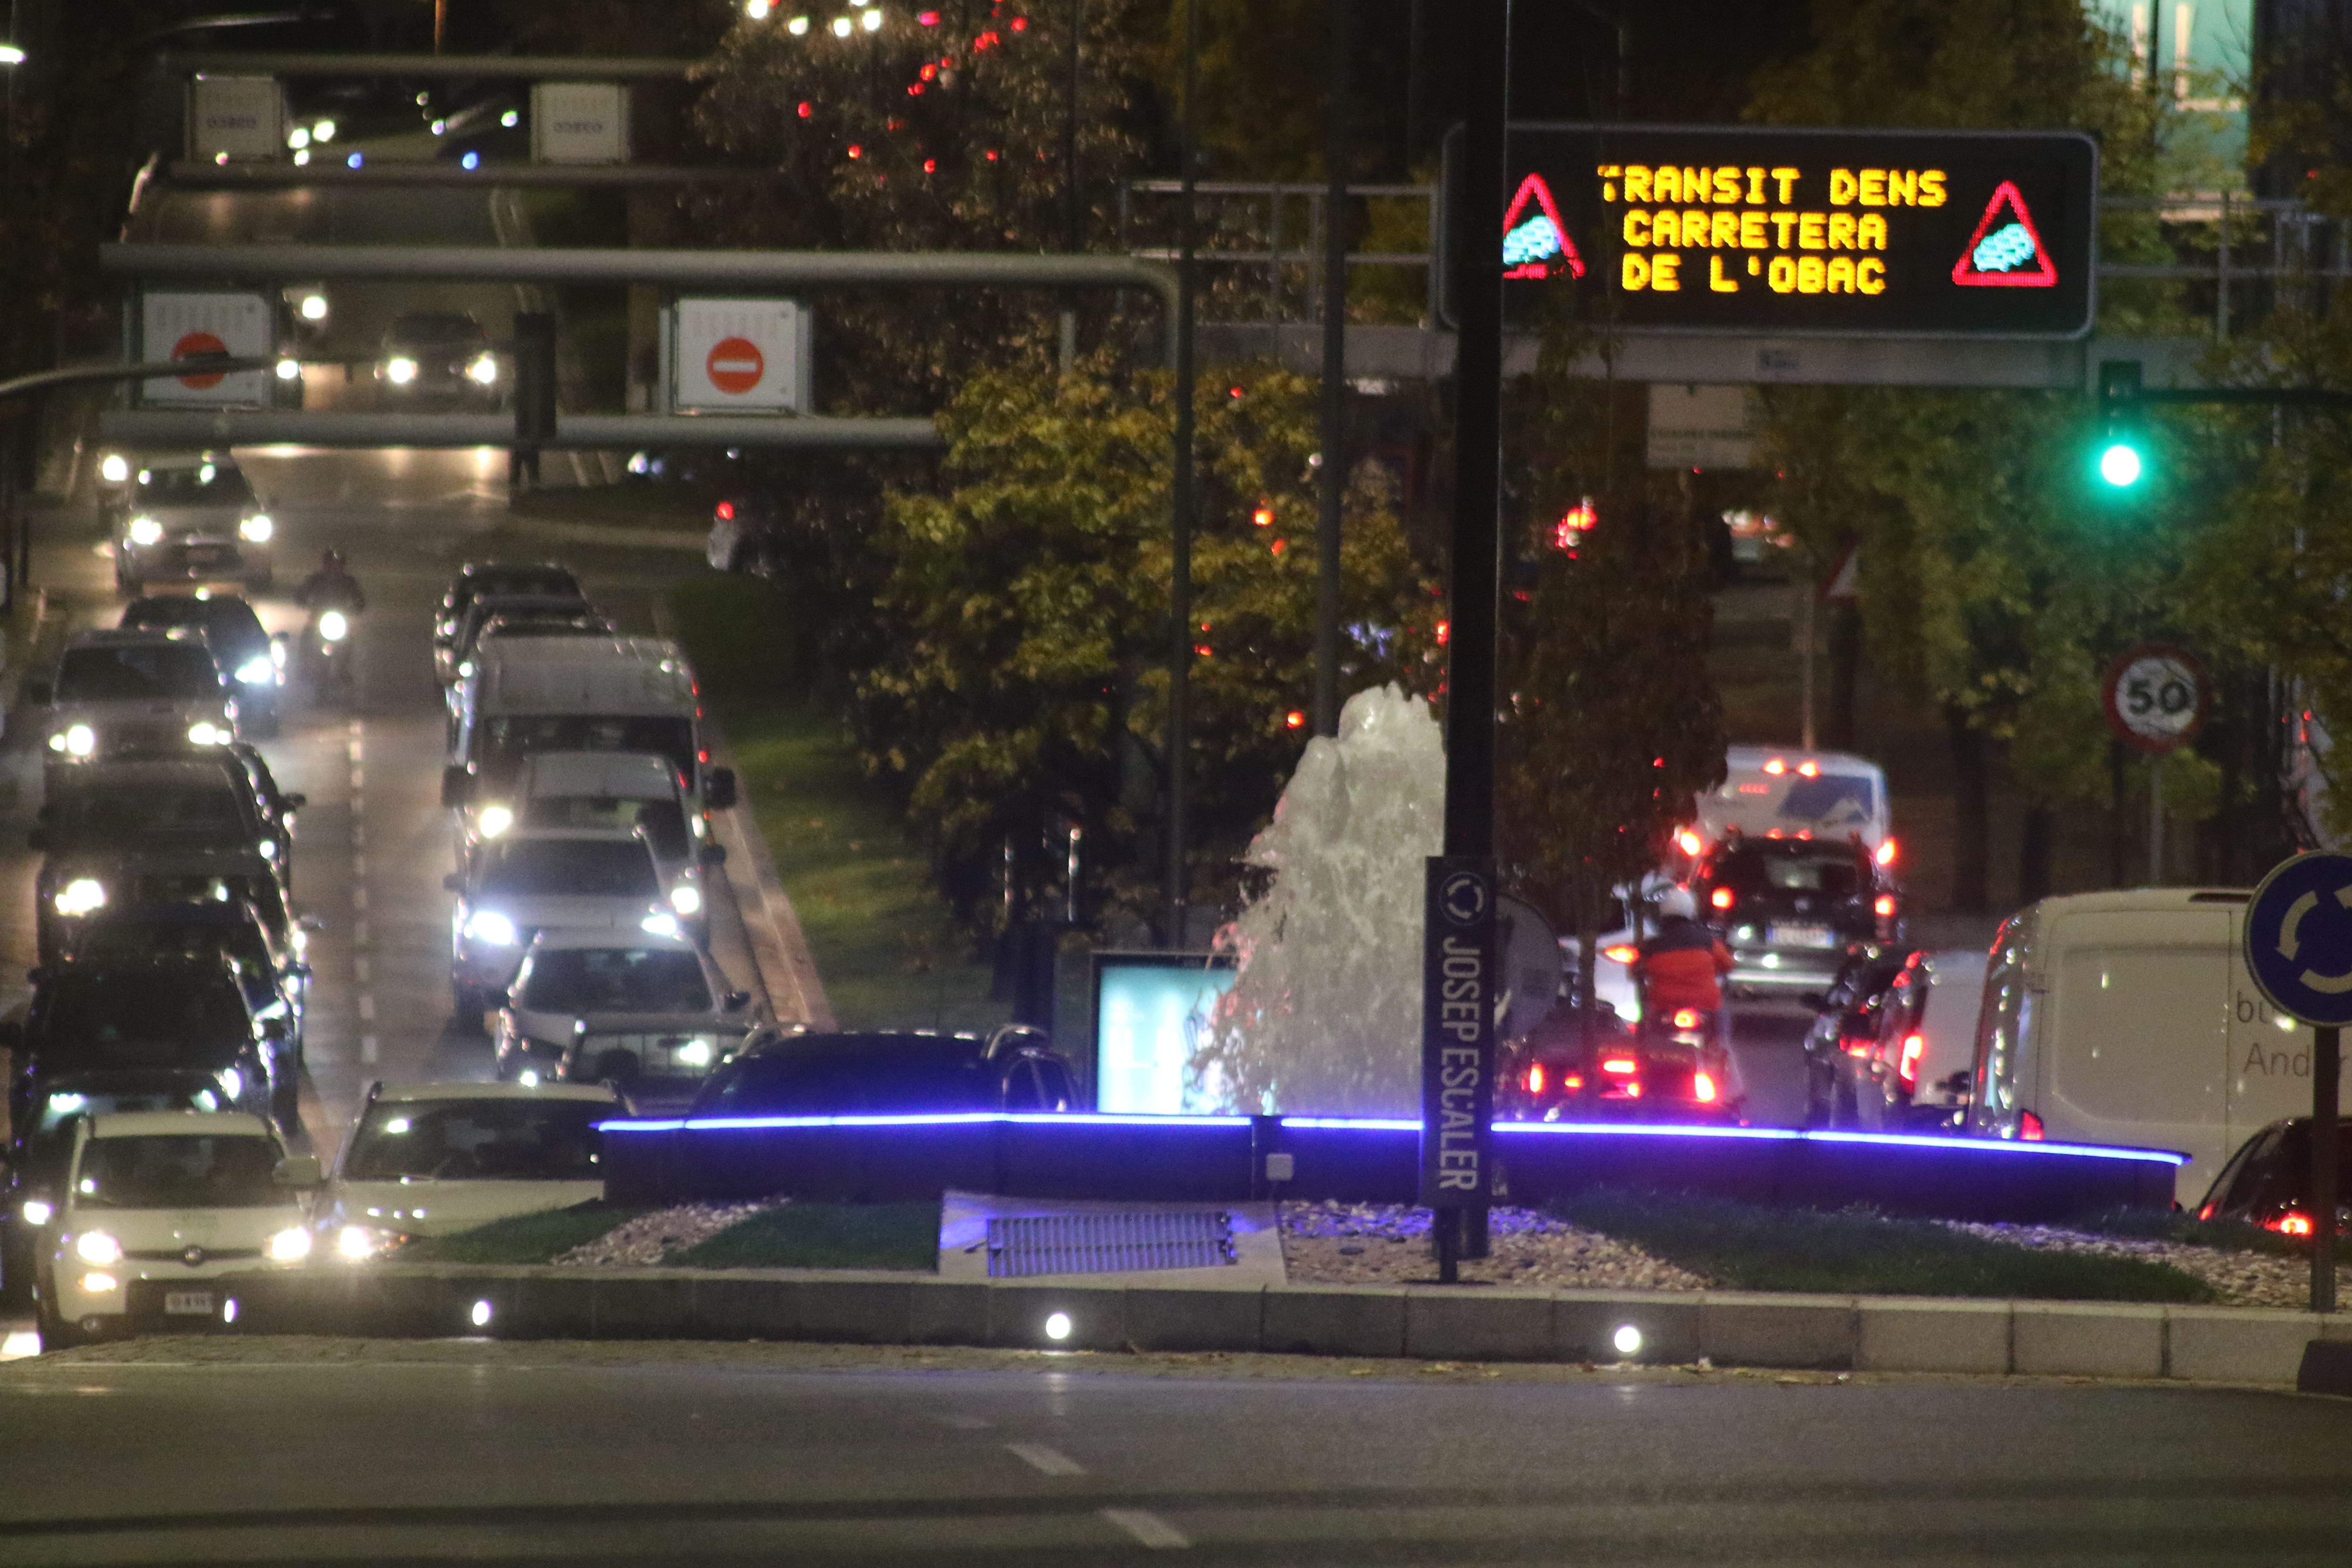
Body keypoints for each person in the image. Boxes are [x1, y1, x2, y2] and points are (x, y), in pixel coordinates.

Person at [1632, 885, 1733, 1024]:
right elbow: (1728, 965)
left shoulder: (1651, 947)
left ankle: (1643, 1044)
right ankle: (1722, 1045)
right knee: (1722, 1016)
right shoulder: (1709, 942)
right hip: (1705, 1004)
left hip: (1663, 1005)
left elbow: (1636, 971)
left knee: (1646, 1024)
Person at [295, 548, 366, 616]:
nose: (333, 567)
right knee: (310, 628)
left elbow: (359, 598)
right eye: (330, 564)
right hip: (318, 615)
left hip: (341, 616)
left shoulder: (349, 582)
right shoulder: (315, 579)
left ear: (342, 565)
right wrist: (306, 604)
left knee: (354, 628)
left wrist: (354, 609)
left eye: (337, 564)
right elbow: (301, 594)